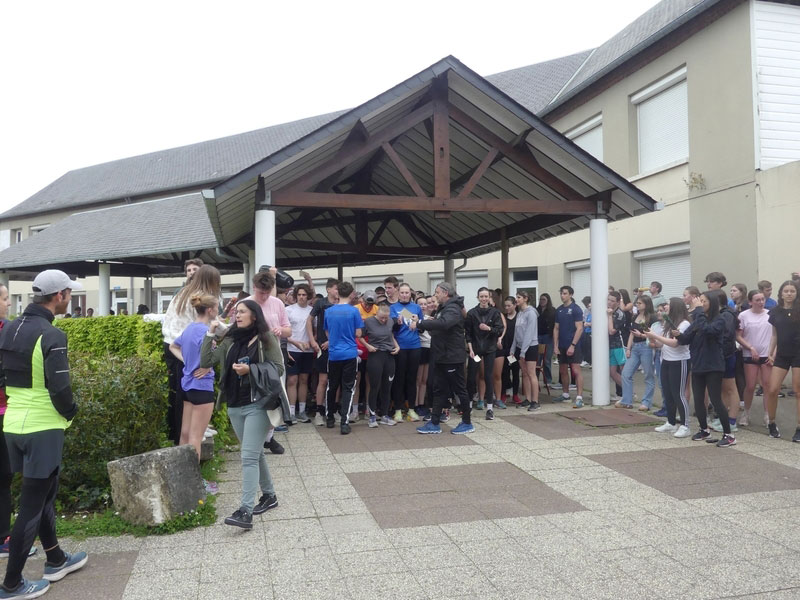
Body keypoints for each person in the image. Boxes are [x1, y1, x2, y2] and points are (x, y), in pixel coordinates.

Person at [0, 271, 88, 597]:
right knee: (31, 506)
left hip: (13, 426)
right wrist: (71, 413)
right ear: (59, 296)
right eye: (69, 294)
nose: (70, 299)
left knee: (43, 494)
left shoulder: (8, 328)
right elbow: (61, 389)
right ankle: (11, 584)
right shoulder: (52, 334)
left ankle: (55, 559)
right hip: (43, 427)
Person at [201, 300, 282, 529]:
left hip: (258, 403)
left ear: (254, 315)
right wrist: (210, 334)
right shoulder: (230, 339)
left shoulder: (266, 339)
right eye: (236, 312)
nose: (237, 315)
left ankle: (245, 511)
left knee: (247, 457)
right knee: (255, 453)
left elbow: (278, 368)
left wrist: (251, 369)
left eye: (242, 312)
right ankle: (270, 496)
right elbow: (206, 361)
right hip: (234, 404)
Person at [161, 265, 221, 444]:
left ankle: (183, 434)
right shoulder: (198, 297)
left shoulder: (185, 293)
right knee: (188, 392)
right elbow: (203, 327)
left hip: (173, 343)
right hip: (185, 346)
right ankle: (194, 432)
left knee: (181, 394)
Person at [0, 284, 38, 561]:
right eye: (4, 298)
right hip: (3, 410)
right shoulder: (6, 331)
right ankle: (4, 538)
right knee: (3, 476)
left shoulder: (8, 328)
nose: (8, 303)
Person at [169, 294, 219, 495]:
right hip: (202, 387)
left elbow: (173, 346)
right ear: (210, 310)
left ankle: (181, 480)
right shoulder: (207, 332)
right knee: (196, 437)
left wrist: (188, 362)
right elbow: (213, 356)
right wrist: (204, 365)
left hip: (187, 386)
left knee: (185, 434)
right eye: (217, 307)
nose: (218, 310)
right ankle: (195, 484)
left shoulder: (189, 328)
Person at [675, 291, 735, 447]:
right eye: (699, 301)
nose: (700, 304)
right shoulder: (698, 319)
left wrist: (699, 311)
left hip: (714, 365)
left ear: (712, 303)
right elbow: (686, 339)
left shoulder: (719, 319)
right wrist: (678, 335)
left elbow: (709, 331)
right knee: (699, 399)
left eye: (703, 301)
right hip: (698, 364)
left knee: (715, 399)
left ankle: (729, 434)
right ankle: (704, 429)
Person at [416, 283, 473, 435]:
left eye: (437, 292)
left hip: (452, 357)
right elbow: (437, 327)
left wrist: (421, 323)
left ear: (446, 293)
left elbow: (444, 324)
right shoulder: (443, 308)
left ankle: (467, 422)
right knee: (439, 390)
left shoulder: (453, 308)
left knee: (460, 389)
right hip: (441, 356)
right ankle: (434, 422)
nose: (435, 295)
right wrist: (424, 324)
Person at [643, 298, 692, 438]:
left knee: (678, 393)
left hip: (680, 361)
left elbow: (675, 343)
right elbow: (660, 344)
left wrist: (655, 336)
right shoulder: (667, 323)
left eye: (668, 305)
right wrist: (650, 337)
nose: (665, 307)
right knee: (668, 392)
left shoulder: (684, 324)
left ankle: (685, 425)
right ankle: (671, 422)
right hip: (666, 360)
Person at [324, 282, 364, 434]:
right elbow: (359, 333)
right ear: (351, 294)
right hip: (349, 353)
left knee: (332, 386)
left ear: (338, 293)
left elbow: (327, 331)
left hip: (334, 353)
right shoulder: (354, 311)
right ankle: (344, 422)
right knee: (348, 387)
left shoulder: (329, 311)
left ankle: (329, 417)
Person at [764, 281, 800, 440]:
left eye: (792, 291)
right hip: (782, 354)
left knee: (798, 391)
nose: (789, 293)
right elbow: (774, 335)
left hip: (798, 353)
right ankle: (771, 423)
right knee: (772, 389)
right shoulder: (775, 312)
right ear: (781, 294)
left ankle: (799, 428)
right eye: (786, 291)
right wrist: (770, 352)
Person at [465, 287, 505, 419]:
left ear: (489, 298)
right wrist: (470, 350)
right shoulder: (472, 313)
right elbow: (468, 333)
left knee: (488, 376)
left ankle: (490, 408)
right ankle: (469, 406)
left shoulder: (495, 312)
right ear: (478, 298)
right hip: (476, 351)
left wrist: (488, 328)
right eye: (481, 296)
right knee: (471, 377)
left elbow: (499, 330)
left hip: (489, 350)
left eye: (486, 296)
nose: (484, 299)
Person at [736, 290, 772, 427]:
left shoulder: (770, 314)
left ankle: (768, 414)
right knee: (750, 385)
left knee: (767, 385)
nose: (761, 302)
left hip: (766, 354)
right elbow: (738, 336)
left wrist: (773, 352)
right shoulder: (744, 315)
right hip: (750, 354)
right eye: (757, 300)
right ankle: (746, 412)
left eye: (762, 299)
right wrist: (750, 347)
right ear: (750, 302)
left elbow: (776, 335)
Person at [389, 283, 423, 422]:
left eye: (406, 293)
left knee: (412, 378)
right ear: (398, 294)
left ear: (410, 294)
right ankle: (398, 409)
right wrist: (397, 323)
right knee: (399, 379)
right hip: (400, 347)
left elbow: (422, 328)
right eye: (402, 292)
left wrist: (417, 322)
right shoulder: (393, 308)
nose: (404, 295)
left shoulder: (416, 307)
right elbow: (391, 329)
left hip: (415, 346)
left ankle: (411, 409)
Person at [362, 304, 400, 427]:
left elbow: (391, 335)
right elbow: (359, 335)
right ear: (377, 313)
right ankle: (372, 416)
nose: (384, 320)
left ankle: (385, 415)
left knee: (387, 387)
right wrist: (368, 346)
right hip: (375, 354)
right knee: (374, 386)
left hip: (389, 355)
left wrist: (397, 346)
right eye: (381, 317)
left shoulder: (390, 321)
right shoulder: (368, 322)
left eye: (386, 318)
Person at [308, 279, 338, 426]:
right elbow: (309, 320)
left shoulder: (342, 304)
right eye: (336, 288)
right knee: (323, 380)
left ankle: (334, 410)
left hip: (337, 347)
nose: (338, 291)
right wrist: (312, 340)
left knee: (336, 381)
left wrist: (332, 341)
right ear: (328, 289)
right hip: (323, 347)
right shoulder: (321, 303)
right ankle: (319, 411)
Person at [619, 295, 656, 411]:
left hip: (646, 346)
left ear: (646, 304)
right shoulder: (635, 316)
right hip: (635, 347)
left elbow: (654, 335)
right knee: (626, 373)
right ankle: (626, 400)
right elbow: (631, 333)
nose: (637, 305)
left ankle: (646, 402)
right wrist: (628, 348)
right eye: (637, 303)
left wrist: (642, 335)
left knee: (648, 375)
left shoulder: (652, 318)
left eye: (640, 303)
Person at [285, 284, 314, 424]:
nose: (301, 297)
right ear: (295, 296)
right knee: (292, 380)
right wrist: (294, 342)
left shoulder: (312, 311)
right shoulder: (288, 310)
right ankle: (291, 412)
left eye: (304, 295)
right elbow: (284, 332)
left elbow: (315, 330)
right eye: (299, 295)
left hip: (307, 350)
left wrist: (310, 341)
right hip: (291, 349)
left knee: (304, 380)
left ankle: (302, 411)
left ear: (308, 296)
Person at [510, 291, 543, 410]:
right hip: (520, 346)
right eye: (516, 297)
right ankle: (528, 399)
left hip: (530, 347)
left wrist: (523, 351)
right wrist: (513, 348)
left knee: (531, 373)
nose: (516, 299)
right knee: (524, 373)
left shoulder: (531, 313)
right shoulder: (520, 313)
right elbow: (516, 332)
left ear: (525, 298)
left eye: (519, 297)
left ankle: (535, 400)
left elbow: (529, 333)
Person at [553, 286, 584, 406]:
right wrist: (555, 345)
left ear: (570, 295)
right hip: (562, 345)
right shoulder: (559, 310)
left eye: (565, 293)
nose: (562, 296)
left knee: (576, 370)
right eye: (561, 293)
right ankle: (565, 394)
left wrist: (573, 345)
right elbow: (556, 328)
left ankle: (579, 397)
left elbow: (580, 328)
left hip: (573, 345)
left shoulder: (576, 309)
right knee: (563, 370)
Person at [499, 296, 521, 405]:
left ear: (515, 305)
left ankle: (515, 394)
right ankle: (503, 393)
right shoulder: (503, 318)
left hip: (515, 350)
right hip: (505, 349)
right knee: (504, 372)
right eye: (505, 306)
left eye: (509, 306)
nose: (507, 308)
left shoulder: (519, 317)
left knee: (515, 372)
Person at [606, 292, 627, 403]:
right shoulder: (607, 311)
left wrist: (609, 316)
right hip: (610, 346)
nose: (609, 302)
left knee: (624, 371)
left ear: (618, 302)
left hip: (619, 345)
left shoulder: (620, 314)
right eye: (608, 300)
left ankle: (628, 393)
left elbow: (611, 331)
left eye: (612, 301)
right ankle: (628, 392)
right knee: (612, 372)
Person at [415, 296, 434, 417]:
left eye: (425, 304)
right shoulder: (414, 316)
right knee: (418, 379)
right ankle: (415, 404)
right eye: (420, 304)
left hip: (430, 347)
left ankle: (422, 404)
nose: (423, 306)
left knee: (424, 379)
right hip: (420, 347)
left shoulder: (432, 318)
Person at [536, 293, 556, 386]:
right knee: (537, 359)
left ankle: (548, 380)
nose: (542, 301)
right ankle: (535, 379)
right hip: (538, 336)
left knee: (547, 359)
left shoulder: (552, 311)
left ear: (548, 300)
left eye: (543, 299)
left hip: (548, 336)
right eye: (540, 299)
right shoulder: (536, 310)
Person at [580, 296, 592, 367]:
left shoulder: (594, 311)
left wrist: (588, 324)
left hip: (591, 331)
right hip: (586, 330)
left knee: (590, 347)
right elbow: (584, 318)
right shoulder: (586, 310)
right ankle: (586, 360)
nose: (587, 307)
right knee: (586, 346)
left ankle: (591, 361)